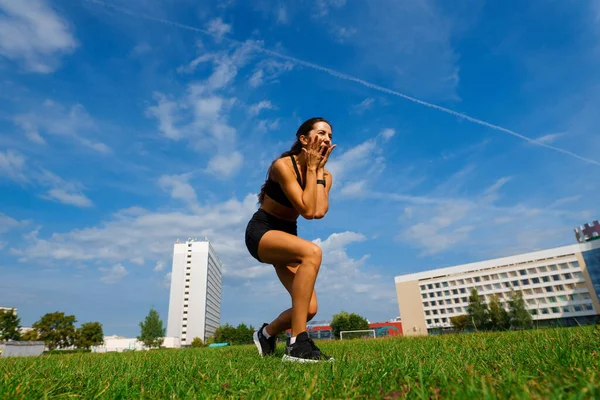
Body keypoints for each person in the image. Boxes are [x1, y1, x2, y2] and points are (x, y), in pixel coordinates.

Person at [245, 117, 336, 363]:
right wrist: (312, 169)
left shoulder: (325, 176)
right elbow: (307, 210)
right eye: (321, 133)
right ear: (304, 139)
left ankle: (265, 334)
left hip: (288, 235)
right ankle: (297, 343)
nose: (327, 138)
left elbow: (317, 212)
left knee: (308, 309)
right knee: (313, 252)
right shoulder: (283, 166)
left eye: (330, 135)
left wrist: (316, 171)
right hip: (262, 232)